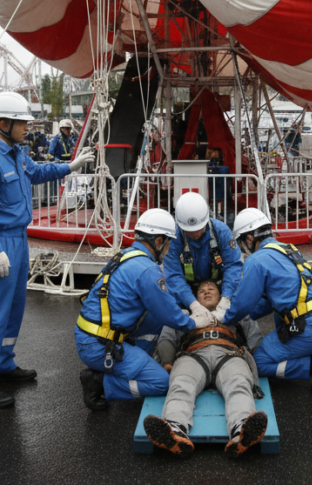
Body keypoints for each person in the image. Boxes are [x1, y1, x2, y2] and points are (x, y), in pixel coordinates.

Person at [0, 92, 94, 408]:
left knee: (13, 309)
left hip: (18, 241)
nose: (28, 128)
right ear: (3, 123)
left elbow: (37, 172)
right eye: (23, 123)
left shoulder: (15, 153)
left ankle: (3, 365)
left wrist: (70, 166)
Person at [76, 209, 209, 411]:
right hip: (100, 346)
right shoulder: (147, 270)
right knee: (161, 383)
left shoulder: (126, 255)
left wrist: (183, 308)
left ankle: (136, 362)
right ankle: (100, 382)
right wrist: (193, 322)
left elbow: (161, 303)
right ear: (158, 242)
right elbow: (168, 313)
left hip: (92, 335)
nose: (169, 249)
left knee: (155, 319)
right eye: (168, 243)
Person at [223, 209, 312, 392]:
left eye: (241, 243)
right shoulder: (288, 249)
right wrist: (247, 317)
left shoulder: (256, 261)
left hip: (310, 330)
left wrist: (224, 318)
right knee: (281, 318)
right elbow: (270, 302)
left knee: (258, 362)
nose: (243, 249)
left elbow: (242, 304)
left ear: (249, 239)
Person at [143, 279, 268, 458]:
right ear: (195, 299)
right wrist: (167, 361)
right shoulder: (184, 315)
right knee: (180, 384)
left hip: (229, 354)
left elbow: (255, 338)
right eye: (201, 291)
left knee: (239, 384)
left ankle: (241, 430)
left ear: (221, 296)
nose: (206, 292)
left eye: (211, 289)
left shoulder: (235, 312)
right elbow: (167, 338)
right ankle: (175, 430)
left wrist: (257, 364)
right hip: (193, 355)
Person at [163, 192, 243, 320]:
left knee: (242, 314)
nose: (195, 235)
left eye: (198, 230)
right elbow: (173, 275)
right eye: (190, 232)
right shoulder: (173, 238)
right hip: (184, 292)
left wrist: (226, 298)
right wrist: (193, 305)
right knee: (170, 318)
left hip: (220, 291)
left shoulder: (221, 232)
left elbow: (233, 266)